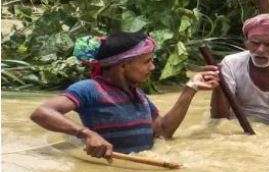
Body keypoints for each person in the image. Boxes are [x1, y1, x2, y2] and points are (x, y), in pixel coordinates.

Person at [29, 32, 220, 159]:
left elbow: (162, 131)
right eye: (146, 61)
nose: (152, 67)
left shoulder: (138, 93)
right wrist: (85, 134)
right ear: (122, 66)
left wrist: (190, 88)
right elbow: (41, 112)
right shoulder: (90, 89)